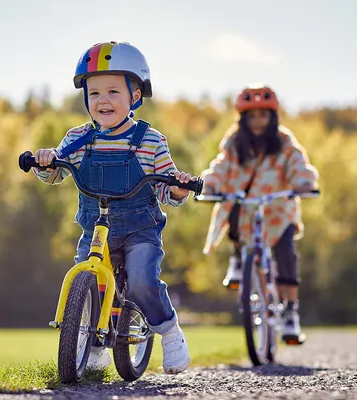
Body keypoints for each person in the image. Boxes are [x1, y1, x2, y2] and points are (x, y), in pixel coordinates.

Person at [31, 41, 196, 374]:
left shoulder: (150, 140)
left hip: (139, 229)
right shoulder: (79, 138)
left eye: (112, 92)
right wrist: (46, 161)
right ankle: (91, 347)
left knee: (141, 282)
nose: (102, 100)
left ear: (135, 95)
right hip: (95, 228)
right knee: (88, 278)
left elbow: (165, 189)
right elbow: (56, 172)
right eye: (94, 94)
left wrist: (177, 188)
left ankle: (168, 331)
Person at [199, 84, 319, 343]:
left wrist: (304, 182)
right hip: (245, 205)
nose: (257, 122)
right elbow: (221, 166)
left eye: (262, 115)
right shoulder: (234, 142)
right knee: (230, 208)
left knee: (286, 251)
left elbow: (298, 164)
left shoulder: (284, 141)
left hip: (278, 208)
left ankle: (289, 312)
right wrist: (210, 184)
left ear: (272, 116)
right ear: (242, 119)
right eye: (251, 116)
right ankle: (238, 259)